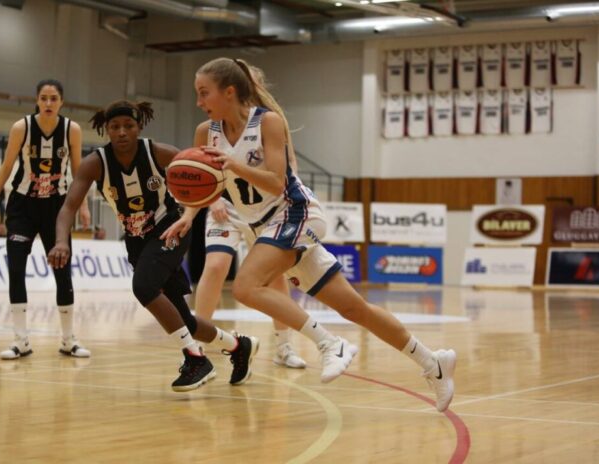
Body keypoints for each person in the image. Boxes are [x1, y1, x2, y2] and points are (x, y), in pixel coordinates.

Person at [167, 57, 457, 412]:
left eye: (204, 93)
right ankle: (433, 363)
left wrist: (235, 165)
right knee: (354, 308)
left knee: (244, 286)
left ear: (228, 92)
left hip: (295, 212)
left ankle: (329, 343)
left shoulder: (268, 122)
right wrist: (188, 215)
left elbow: (277, 181)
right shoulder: (205, 132)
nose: (199, 102)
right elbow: (206, 185)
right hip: (263, 226)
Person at [47, 100, 259, 392]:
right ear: (107, 130)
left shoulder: (158, 152)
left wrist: (214, 198)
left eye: (128, 125)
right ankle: (238, 346)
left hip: (169, 227)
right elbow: (68, 207)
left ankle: (196, 359)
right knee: (183, 320)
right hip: (136, 240)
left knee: (143, 287)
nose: (122, 132)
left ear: (139, 127)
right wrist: (61, 241)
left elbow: (202, 169)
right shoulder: (95, 163)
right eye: (115, 127)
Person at [195, 64, 306, 369]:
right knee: (215, 266)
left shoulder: (269, 122)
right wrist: (213, 199)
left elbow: (286, 172)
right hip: (227, 207)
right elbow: (200, 173)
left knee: (273, 278)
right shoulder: (210, 128)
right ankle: (197, 343)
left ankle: (284, 345)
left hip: (265, 210)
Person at [0, 79, 91, 361]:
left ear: (61, 102)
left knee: (62, 272)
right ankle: (20, 341)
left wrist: (83, 206)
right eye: (43, 98)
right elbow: (7, 165)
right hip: (23, 206)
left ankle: (68, 340)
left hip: (57, 209)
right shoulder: (21, 127)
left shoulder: (72, 129)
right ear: (36, 100)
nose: (48, 103)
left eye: (53, 98)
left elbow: (79, 171)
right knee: (16, 270)